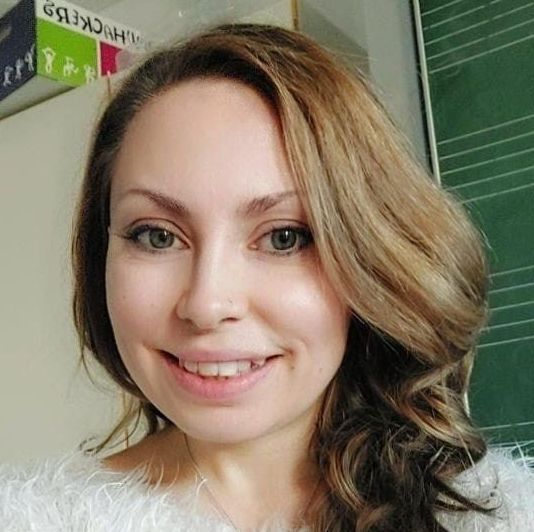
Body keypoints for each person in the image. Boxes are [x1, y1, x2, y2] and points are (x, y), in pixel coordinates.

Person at [1, 23, 533, 532]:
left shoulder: (503, 514)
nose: (207, 304)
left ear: (373, 257)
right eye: (157, 236)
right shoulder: (30, 518)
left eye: (283, 237)